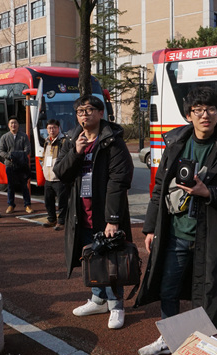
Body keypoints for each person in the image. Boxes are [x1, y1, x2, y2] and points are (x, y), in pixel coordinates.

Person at [135, 87, 217, 355]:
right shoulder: (176, 143)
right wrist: (151, 227)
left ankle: (201, 343)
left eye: (211, 109)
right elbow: (159, 187)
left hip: (213, 236)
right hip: (175, 233)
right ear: (188, 115)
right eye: (198, 110)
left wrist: (209, 192)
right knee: (168, 288)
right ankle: (169, 338)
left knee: (209, 294)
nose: (205, 115)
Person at [53, 95, 134, 329]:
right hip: (80, 211)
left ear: (101, 113)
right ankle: (98, 298)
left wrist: (113, 218)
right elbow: (61, 172)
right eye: (80, 111)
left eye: (90, 110)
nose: (84, 114)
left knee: (112, 258)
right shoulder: (71, 139)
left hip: (105, 211)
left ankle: (116, 305)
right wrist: (76, 153)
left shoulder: (112, 140)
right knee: (91, 255)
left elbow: (119, 180)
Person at [0, 116, 34, 214]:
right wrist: (10, 156)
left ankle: (27, 205)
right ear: (9, 125)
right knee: (11, 186)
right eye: (11, 123)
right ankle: (10, 205)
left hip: (22, 165)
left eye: (15, 123)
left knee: (24, 185)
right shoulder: (4, 137)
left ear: (18, 125)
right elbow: (1, 151)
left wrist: (18, 156)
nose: (13, 125)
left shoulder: (24, 136)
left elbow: (27, 149)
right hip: (10, 165)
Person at [41, 119, 68, 231]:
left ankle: (62, 221)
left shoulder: (63, 141)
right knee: (48, 200)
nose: (51, 130)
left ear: (58, 128)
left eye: (54, 128)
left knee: (62, 202)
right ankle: (51, 219)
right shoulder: (47, 141)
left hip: (59, 178)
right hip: (48, 177)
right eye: (49, 128)